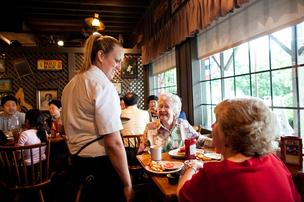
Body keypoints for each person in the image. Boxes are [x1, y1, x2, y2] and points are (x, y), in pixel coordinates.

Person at [177, 97, 301, 202]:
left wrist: (193, 167)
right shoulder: (273, 160)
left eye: (217, 121)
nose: (212, 126)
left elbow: (181, 194)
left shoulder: (215, 174)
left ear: (230, 133)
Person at [61, 34, 132, 202]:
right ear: (101, 56)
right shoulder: (103, 85)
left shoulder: (70, 85)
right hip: (100, 167)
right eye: (117, 60)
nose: (119, 67)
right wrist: (127, 184)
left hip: (77, 163)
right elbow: (113, 143)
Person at [140, 92, 207, 153]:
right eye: (160, 106)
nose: (162, 110)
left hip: (181, 164)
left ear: (174, 110)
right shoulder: (150, 127)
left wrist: (215, 142)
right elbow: (142, 150)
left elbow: (200, 140)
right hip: (158, 164)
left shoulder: (183, 124)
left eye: (167, 106)